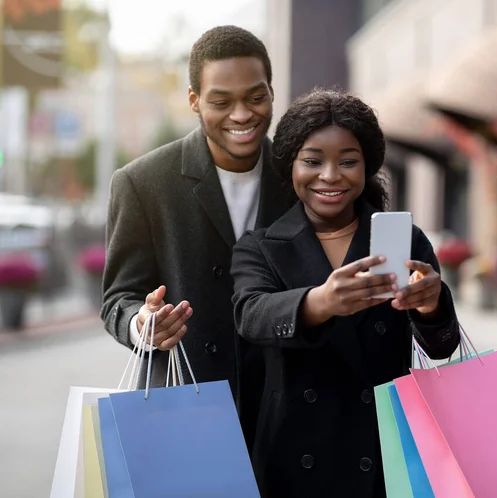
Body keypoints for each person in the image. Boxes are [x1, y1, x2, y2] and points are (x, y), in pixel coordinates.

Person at [231, 89, 461, 497]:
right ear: (290, 166)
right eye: (313, 160)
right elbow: (251, 315)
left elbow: (442, 347)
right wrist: (320, 302)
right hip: (291, 459)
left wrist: (431, 305)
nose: (331, 175)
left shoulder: (404, 241)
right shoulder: (261, 245)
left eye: (348, 161)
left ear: (367, 166)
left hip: (385, 456)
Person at [100, 26, 289, 451]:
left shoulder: (301, 175)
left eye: (255, 98)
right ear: (194, 100)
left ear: (272, 93)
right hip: (189, 407)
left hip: (290, 417)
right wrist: (142, 324)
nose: (241, 115)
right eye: (221, 102)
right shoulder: (142, 182)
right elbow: (118, 298)